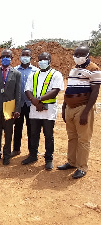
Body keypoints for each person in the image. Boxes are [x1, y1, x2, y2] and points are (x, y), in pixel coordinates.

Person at [58, 46, 101, 179]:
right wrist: (64, 107)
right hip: (70, 108)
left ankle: (82, 167)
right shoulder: (74, 69)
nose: (77, 56)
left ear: (88, 55)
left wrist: (86, 112)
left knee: (83, 139)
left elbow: (95, 92)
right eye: (76, 54)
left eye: (81, 54)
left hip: (83, 108)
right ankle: (72, 162)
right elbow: (69, 89)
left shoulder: (94, 69)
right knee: (72, 137)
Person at [22, 52, 64, 170]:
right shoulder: (33, 75)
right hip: (35, 109)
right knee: (33, 133)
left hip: (49, 109)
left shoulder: (56, 74)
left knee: (48, 134)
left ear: (50, 60)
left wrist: (39, 100)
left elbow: (55, 90)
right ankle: (33, 155)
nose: (42, 61)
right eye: (40, 59)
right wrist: (35, 102)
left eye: (45, 59)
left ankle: (48, 158)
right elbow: (27, 90)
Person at [0, 49, 21, 165]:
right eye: (3, 56)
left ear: (12, 58)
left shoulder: (16, 73)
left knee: (8, 133)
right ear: (0, 59)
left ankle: (6, 155)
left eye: (8, 56)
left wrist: (17, 109)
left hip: (10, 109)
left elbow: (18, 93)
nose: (5, 58)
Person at [12, 48, 38, 157]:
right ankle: (16, 149)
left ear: (31, 57)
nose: (25, 57)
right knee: (17, 127)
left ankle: (32, 151)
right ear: (20, 57)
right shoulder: (15, 70)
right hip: (19, 104)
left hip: (31, 104)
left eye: (27, 55)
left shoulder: (36, 71)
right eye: (23, 55)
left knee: (31, 128)